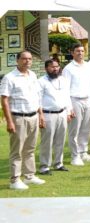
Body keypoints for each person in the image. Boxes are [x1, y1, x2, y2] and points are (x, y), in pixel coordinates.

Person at [1, 51, 46, 190]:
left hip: (33, 115)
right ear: (17, 60)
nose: (27, 61)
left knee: (30, 149)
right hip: (18, 117)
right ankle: (15, 180)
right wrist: (9, 121)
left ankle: (29, 176)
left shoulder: (32, 75)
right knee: (17, 150)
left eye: (29, 59)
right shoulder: (9, 78)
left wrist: (41, 114)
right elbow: (4, 100)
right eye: (24, 59)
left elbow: (36, 97)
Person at [63, 44, 90, 166]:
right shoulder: (68, 69)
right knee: (75, 130)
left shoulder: (89, 66)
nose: (80, 53)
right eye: (77, 51)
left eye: (82, 51)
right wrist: (69, 108)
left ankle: (83, 153)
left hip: (87, 99)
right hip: (74, 100)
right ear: (72, 53)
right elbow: (65, 89)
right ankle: (75, 156)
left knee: (86, 128)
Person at [38, 59, 73, 175]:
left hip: (62, 113)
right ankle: (44, 166)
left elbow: (67, 96)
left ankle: (58, 163)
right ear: (46, 68)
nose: (55, 69)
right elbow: (38, 100)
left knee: (60, 140)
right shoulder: (41, 82)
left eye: (57, 66)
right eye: (52, 67)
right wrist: (40, 116)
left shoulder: (63, 80)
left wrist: (69, 111)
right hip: (48, 114)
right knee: (46, 142)